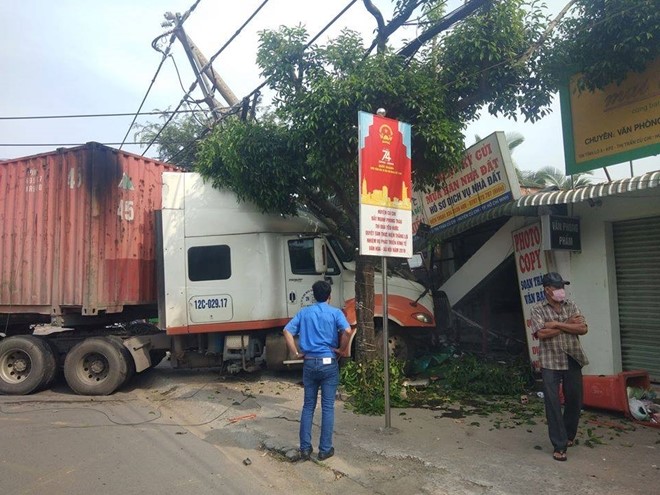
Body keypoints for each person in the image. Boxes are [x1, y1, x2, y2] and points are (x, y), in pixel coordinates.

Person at [283, 280, 353, 461]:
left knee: (308, 406)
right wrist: (342, 349)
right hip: (329, 363)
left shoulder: (304, 313)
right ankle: (324, 449)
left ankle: (305, 449)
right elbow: (347, 331)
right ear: (329, 296)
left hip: (309, 363)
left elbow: (287, 331)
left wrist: (295, 352)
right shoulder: (335, 312)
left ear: (314, 296)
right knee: (328, 406)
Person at [531, 272, 588, 462]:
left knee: (574, 399)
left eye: (562, 287)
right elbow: (541, 334)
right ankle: (559, 445)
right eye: (558, 288)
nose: (561, 291)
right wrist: (566, 324)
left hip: (572, 358)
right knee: (553, 403)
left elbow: (583, 328)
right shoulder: (538, 309)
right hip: (550, 361)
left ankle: (569, 435)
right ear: (548, 290)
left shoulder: (570, 305)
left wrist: (555, 324)